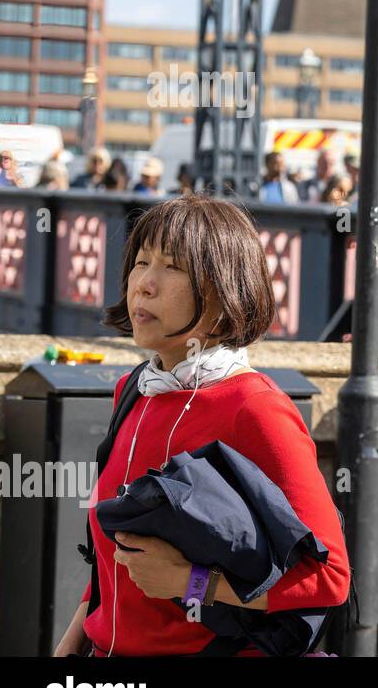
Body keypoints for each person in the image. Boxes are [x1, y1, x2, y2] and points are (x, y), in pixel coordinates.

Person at [53, 195, 349, 656]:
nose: (143, 286)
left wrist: (189, 583)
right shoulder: (134, 391)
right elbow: (111, 564)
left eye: (172, 268)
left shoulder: (255, 408)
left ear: (222, 289)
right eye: (141, 261)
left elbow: (329, 580)